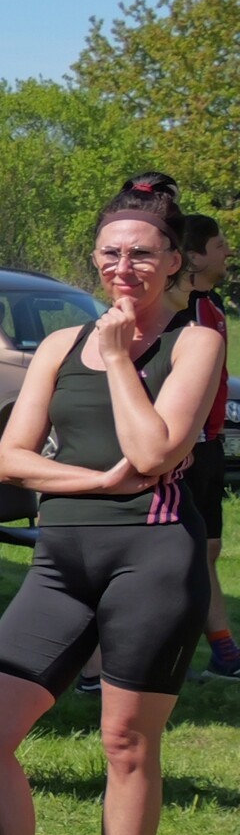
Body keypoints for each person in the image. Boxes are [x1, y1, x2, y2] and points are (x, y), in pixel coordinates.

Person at [0, 175, 224, 835]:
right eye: (111, 252)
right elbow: (12, 460)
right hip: (62, 561)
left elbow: (156, 450)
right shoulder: (61, 345)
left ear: (173, 262)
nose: (125, 267)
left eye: (143, 254)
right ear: (95, 257)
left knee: (125, 743)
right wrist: (97, 481)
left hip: (153, 560)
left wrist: (121, 359)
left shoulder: (196, 343)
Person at [179, 214, 233, 681]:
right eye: (219, 245)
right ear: (193, 257)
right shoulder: (181, 309)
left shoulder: (213, 304)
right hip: (186, 447)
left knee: (209, 547)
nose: (228, 251)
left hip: (210, 444)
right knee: (182, 551)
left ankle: (223, 651)